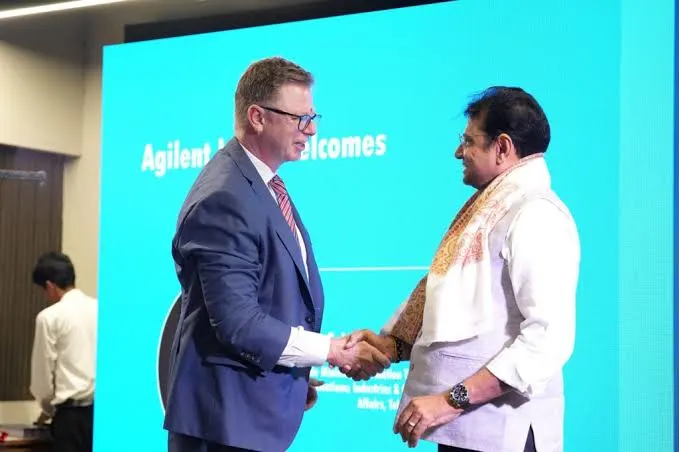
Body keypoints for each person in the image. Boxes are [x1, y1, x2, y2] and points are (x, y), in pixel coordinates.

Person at [163, 56, 390, 452]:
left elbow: (269, 299)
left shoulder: (258, 183)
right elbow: (238, 323)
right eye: (300, 118)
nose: (312, 129)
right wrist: (330, 350)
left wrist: (293, 375)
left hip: (245, 415)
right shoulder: (225, 196)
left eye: (313, 117)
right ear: (257, 117)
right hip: (224, 425)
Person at [345, 86, 580, 451]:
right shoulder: (490, 210)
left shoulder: (537, 214)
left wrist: (450, 400)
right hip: (465, 428)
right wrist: (392, 346)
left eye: (469, 141)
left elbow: (546, 340)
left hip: (504, 435)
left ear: (502, 147)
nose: (459, 152)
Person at [29, 251, 97, 452]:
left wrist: (48, 409)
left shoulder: (49, 317)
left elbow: (42, 379)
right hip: (102, 415)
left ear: (49, 286)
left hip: (70, 418)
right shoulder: (100, 309)